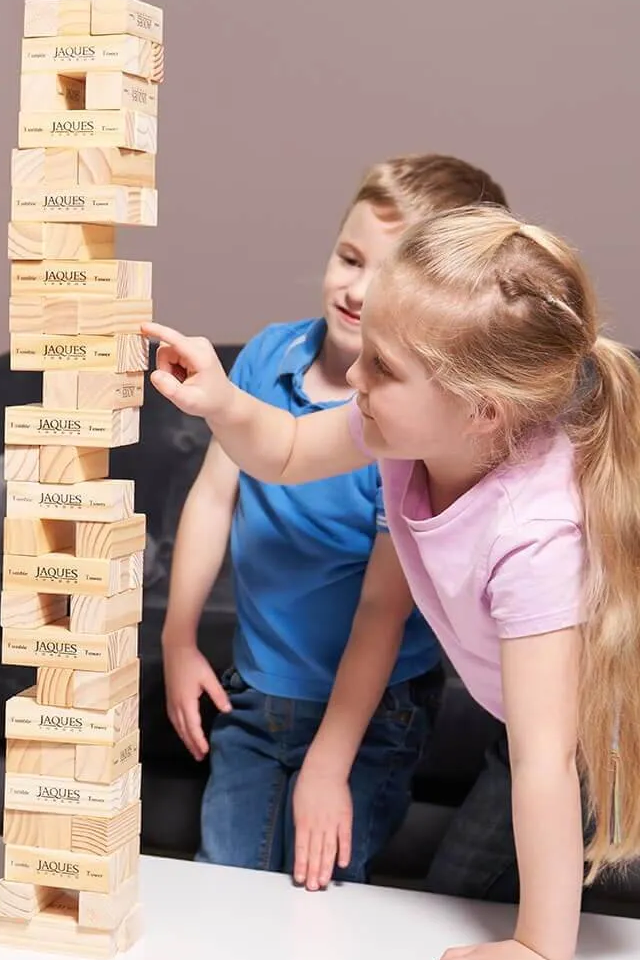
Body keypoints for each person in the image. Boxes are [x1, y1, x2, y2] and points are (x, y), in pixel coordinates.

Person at [143, 203, 640, 960]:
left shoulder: (537, 534)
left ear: (483, 411)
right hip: (547, 740)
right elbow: (290, 447)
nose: (356, 378)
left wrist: (543, 952)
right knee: (455, 903)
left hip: (601, 746)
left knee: (526, 920)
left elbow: (547, 754)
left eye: (383, 366)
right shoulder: (406, 432)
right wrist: (224, 401)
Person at [162, 155, 509, 890]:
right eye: (348, 258)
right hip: (256, 690)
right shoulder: (268, 357)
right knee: (222, 885)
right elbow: (213, 495)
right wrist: (178, 638)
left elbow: (384, 609)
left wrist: (329, 761)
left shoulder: (411, 425)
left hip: (371, 714)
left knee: (320, 896)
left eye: (384, 277)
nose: (355, 290)